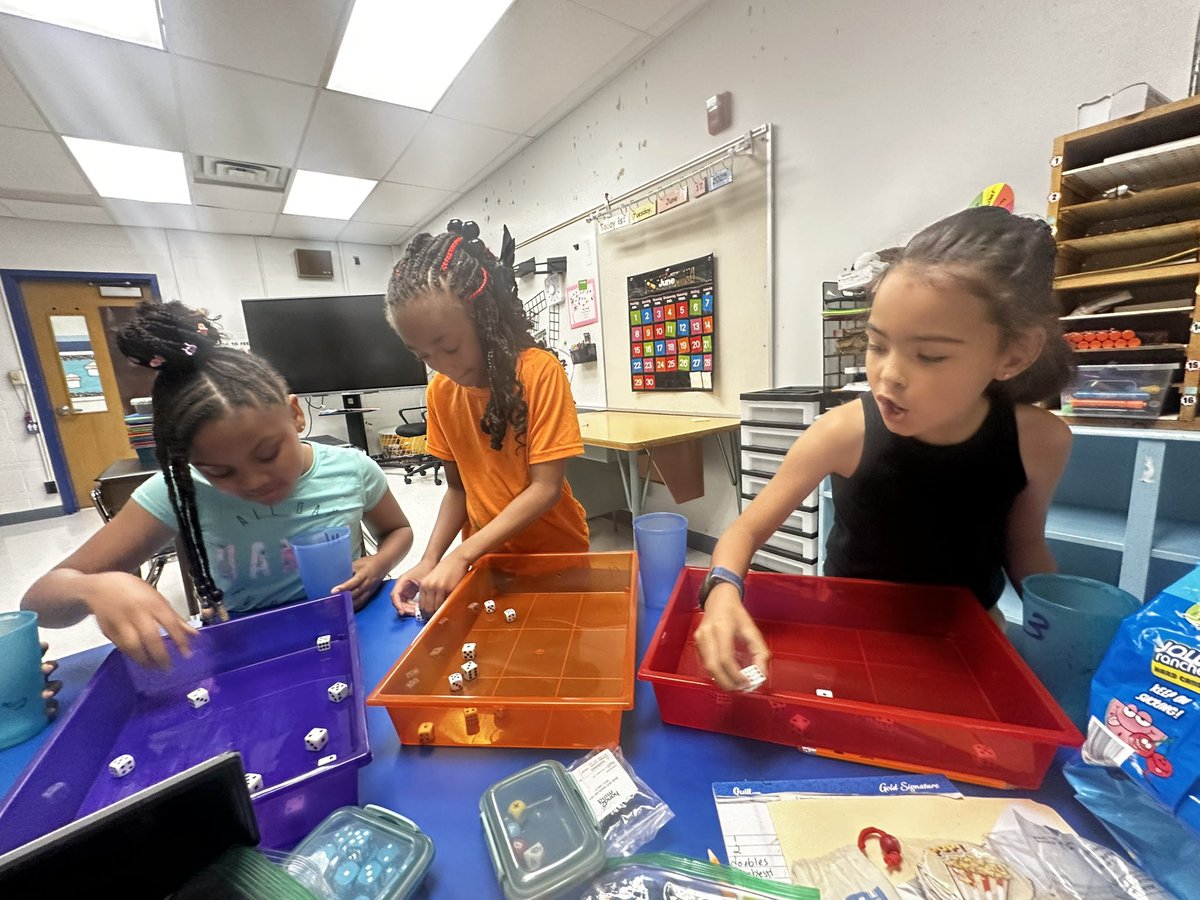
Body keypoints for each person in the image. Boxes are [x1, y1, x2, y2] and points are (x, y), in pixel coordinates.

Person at [695, 206, 1075, 690]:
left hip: (966, 644)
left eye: (930, 355)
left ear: (1013, 354)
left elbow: (1024, 547)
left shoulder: (1039, 440)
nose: (889, 374)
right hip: (854, 641)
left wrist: (1061, 627)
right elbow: (745, 530)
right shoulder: (843, 432)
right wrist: (721, 591)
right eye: (877, 345)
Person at [21, 302, 414, 669]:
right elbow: (39, 603)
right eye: (220, 472)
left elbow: (397, 530)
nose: (255, 481)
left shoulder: (350, 468)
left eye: (268, 454)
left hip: (358, 636)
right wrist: (95, 589)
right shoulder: (178, 491)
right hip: (252, 653)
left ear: (295, 414)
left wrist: (379, 564)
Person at [385, 219, 589, 618]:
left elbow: (545, 489)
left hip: (556, 559)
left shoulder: (538, 372)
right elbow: (458, 491)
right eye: (422, 356)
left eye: (449, 346)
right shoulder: (440, 393)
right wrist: (431, 559)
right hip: (488, 562)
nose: (441, 367)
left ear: (483, 317)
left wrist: (461, 555)